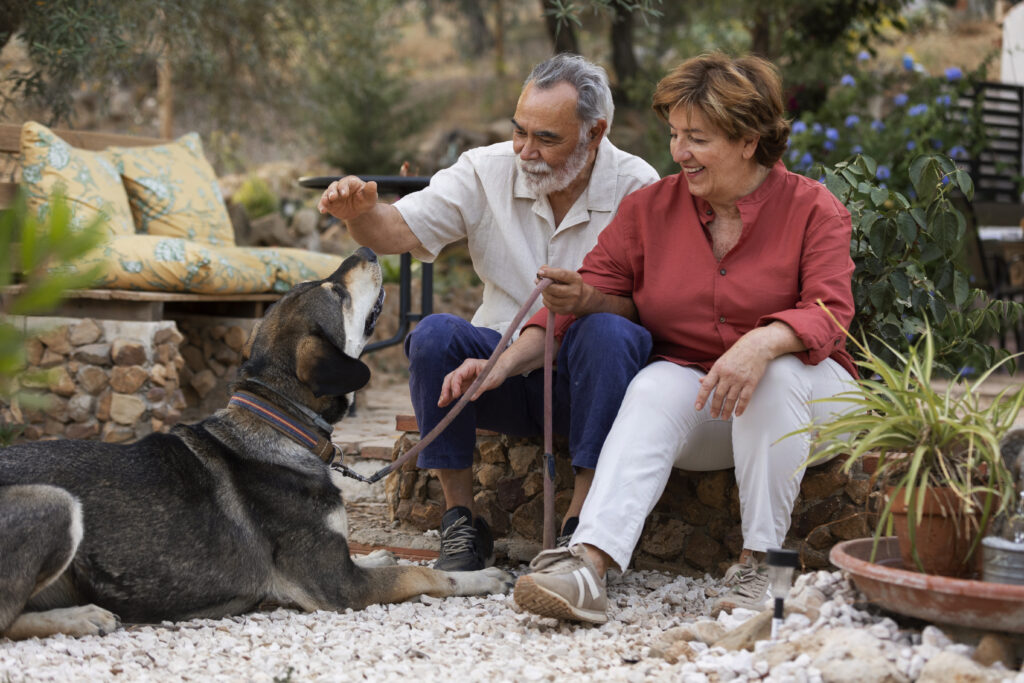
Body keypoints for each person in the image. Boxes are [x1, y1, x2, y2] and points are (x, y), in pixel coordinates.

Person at [442, 52, 858, 622]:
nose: (679, 152)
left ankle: (767, 564)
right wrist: (502, 365)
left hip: (814, 398)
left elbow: (830, 312)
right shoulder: (650, 210)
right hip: (711, 399)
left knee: (775, 373)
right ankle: (587, 566)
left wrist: (759, 343)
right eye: (675, 135)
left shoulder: (814, 209)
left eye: (698, 138)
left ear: (749, 141)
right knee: (656, 384)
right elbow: (581, 299)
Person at [317, 53, 659, 572]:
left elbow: (648, 308)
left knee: (609, 333)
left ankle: (580, 526)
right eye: (520, 131)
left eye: (547, 138)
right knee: (434, 336)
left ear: (595, 132)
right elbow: (395, 232)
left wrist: (587, 303)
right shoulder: (486, 167)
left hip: (588, 383)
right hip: (494, 378)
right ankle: (461, 522)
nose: (526, 150)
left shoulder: (639, 185)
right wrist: (361, 214)